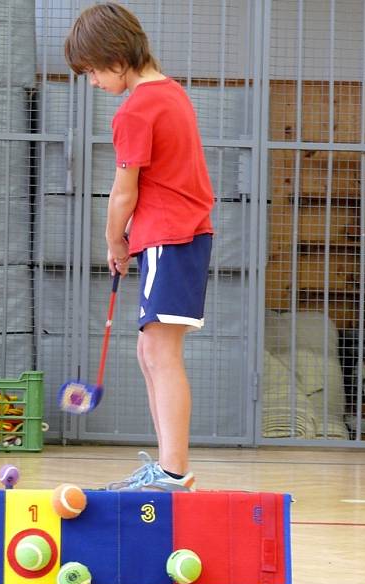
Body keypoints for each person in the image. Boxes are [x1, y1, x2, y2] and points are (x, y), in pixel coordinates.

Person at [65, 2, 214, 491]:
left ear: (115, 57)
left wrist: (113, 239)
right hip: (172, 237)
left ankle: (172, 470)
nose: (92, 81)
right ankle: (168, 468)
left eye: (91, 70)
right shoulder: (171, 93)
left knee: (159, 351)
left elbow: (124, 190)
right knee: (150, 350)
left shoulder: (136, 108)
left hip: (171, 237)